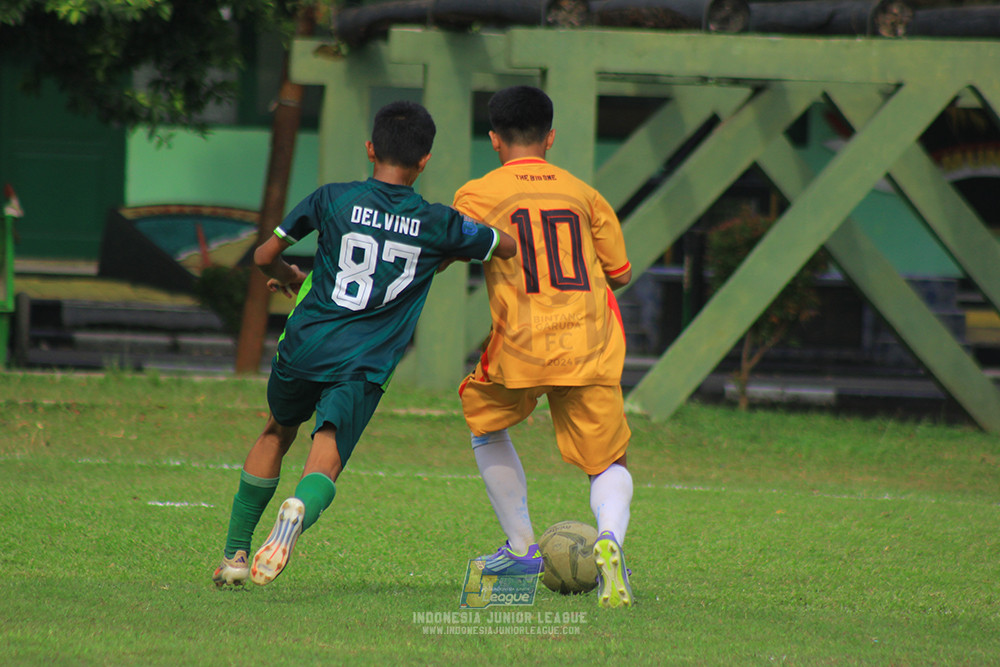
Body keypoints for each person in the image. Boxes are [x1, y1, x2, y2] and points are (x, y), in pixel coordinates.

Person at [212, 100, 516, 588]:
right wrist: (449, 249)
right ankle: (297, 510)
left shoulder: (332, 198)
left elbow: (265, 255)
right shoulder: (437, 222)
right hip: (364, 361)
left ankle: (233, 556)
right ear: (425, 161)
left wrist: (289, 276)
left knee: (275, 432)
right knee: (326, 452)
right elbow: (505, 245)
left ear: (371, 149)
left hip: (305, 343)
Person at [453, 86, 635, 609]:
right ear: (550, 137)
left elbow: (455, 248)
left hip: (522, 343)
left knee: (485, 424)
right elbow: (620, 273)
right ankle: (609, 540)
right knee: (609, 461)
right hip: (589, 342)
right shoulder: (585, 194)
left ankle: (521, 550)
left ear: (494, 139)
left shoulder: (476, 195)